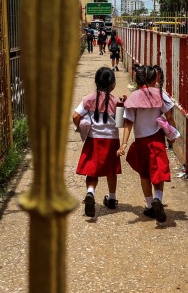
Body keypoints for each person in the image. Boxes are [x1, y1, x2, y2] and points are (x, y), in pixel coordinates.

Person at [119, 65, 175, 222]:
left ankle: (150, 206)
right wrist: (172, 135)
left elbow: (128, 122)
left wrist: (123, 143)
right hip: (156, 139)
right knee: (158, 174)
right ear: (154, 79)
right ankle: (158, 198)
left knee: (144, 174)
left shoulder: (133, 97)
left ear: (137, 78)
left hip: (141, 142)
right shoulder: (160, 95)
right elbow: (169, 117)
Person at [73, 67, 124, 217]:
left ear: (96, 82)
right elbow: (120, 123)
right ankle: (112, 199)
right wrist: (122, 105)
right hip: (111, 140)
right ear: (113, 84)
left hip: (93, 140)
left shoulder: (89, 98)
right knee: (111, 171)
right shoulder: (116, 102)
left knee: (92, 170)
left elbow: (75, 116)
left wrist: (80, 127)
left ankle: (90, 193)